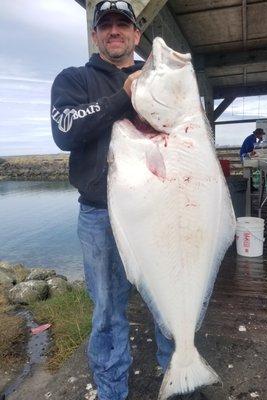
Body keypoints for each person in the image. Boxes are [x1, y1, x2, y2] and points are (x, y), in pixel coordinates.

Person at [51, 2, 175, 399]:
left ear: (137, 35)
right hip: (99, 216)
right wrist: (122, 98)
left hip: (159, 212)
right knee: (106, 312)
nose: (115, 31)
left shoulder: (157, 76)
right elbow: (66, 132)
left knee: (168, 304)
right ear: (95, 35)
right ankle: (111, 392)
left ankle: (177, 379)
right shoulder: (73, 79)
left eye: (124, 24)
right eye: (106, 25)